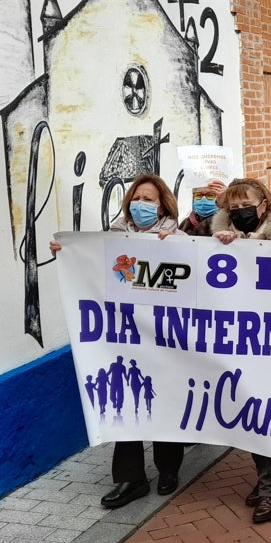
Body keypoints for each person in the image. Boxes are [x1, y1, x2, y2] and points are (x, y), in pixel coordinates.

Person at [50, 173, 187, 510]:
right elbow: (90, 269)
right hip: (122, 337)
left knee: (164, 399)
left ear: (163, 205)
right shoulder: (110, 239)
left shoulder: (179, 238)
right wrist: (68, 252)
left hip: (165, 337)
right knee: (124, 401)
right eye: (137, 199)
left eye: (149, 200)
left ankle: (169, 469)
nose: (142, 205)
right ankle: (131, 479)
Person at [212, 178, 271, 523]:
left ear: (264, 203)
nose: (240, 212)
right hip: (237, 341)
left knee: (266, 416)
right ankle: (265, 480)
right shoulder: (219, 239)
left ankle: (270, 488)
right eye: (232, 209)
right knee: (249, 415)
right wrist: (218, 245)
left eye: (246, 204)